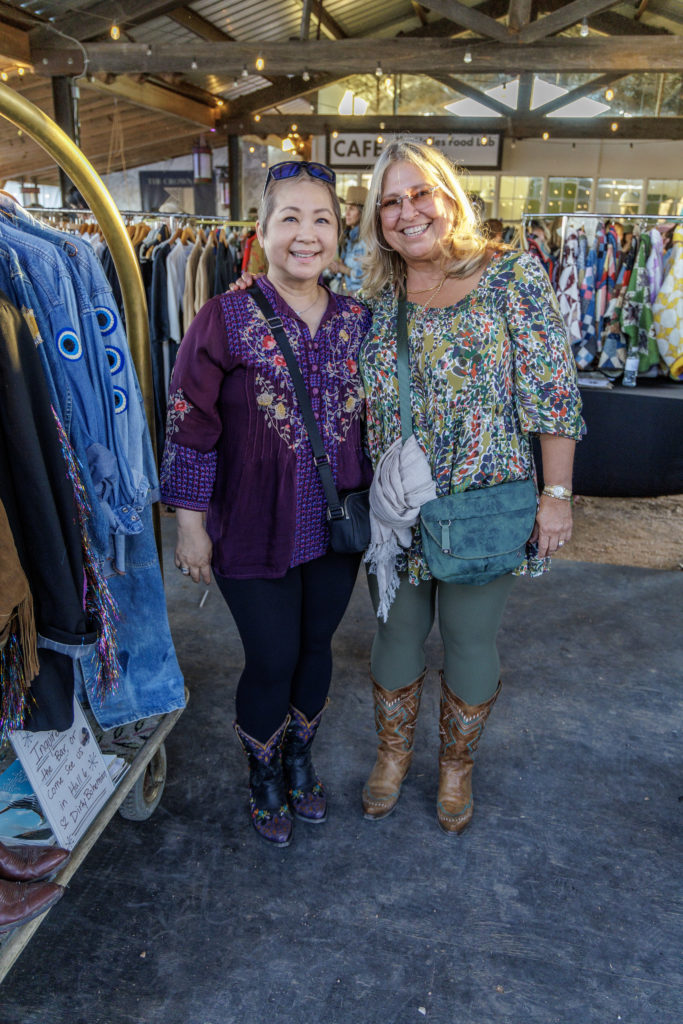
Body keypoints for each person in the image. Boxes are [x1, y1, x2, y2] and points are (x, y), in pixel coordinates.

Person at [357, 138, 584, 835]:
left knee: (468, 636)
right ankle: (392, 755)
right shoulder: (366, 289)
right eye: (390, 202)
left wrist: (556, 495)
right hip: (395, 507)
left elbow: (552, 391)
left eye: (418, 193)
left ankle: (456, 764)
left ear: (448, 195)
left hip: (485, 501)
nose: (406, 212)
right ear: (376, 219)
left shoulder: (510, 276)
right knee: (395, 632)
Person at [159, 160, 372, 848]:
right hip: (250, 525)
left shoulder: (360, 321)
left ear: (339, 234)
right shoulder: (223, 316)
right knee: (271, 656)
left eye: (321, 220)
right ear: (261, 231)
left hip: (336, 526)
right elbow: (190, 420)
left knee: (316, 648)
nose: (305, 235)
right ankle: (262, 774)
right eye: (290, 218)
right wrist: (190, 527)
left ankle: (299, 760)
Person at [328, 184, 367, 295]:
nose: (347, 213)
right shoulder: (348, 236)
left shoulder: (367, 240)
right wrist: (336, 269)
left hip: (361, 297)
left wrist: (343, 269)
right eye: (346, 209)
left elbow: (369, 277)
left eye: (352, 209)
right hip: (346, 293)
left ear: (362, 212)